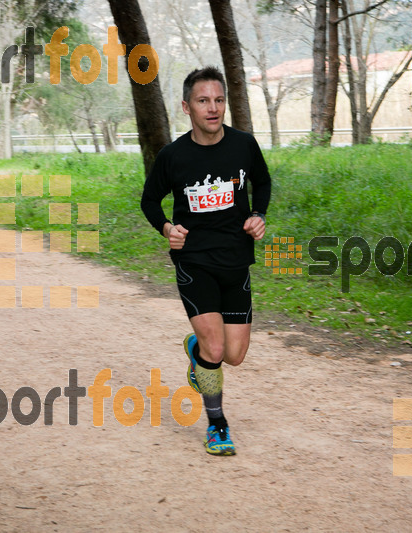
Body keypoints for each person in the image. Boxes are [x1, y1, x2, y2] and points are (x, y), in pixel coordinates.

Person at [141, 66, 271, 456]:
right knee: (217, 354)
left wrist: (259, 214)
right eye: (203, 101)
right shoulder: (173, 156)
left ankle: (197, 350)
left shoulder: (244, 145)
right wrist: (166, 228)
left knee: (234, 356)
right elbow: (150, 201)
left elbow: (261, 181)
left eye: (218, 100)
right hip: (194, 262)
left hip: (236, 262)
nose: (212, 108)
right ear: (187, 107)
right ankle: (217, 424)